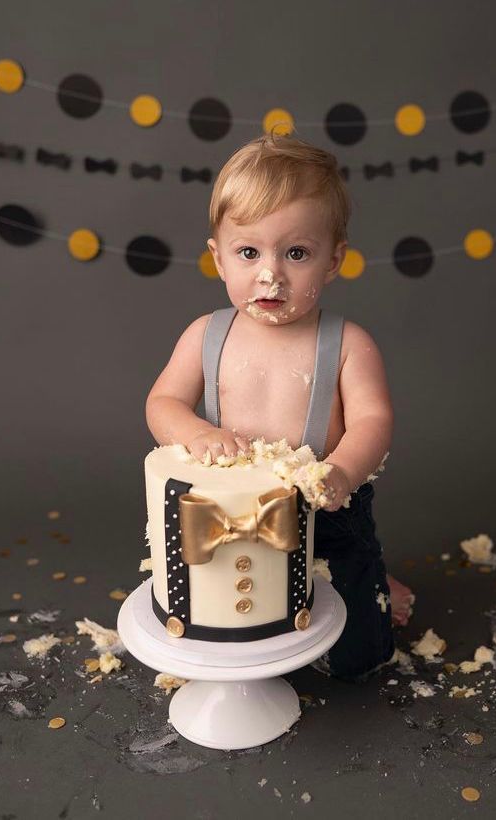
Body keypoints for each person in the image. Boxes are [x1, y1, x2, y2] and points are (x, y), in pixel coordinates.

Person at [145, 130, 411, 680]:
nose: (271, 274)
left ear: (333, 260)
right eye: (249, 252)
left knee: (357, 650)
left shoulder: (348, 344)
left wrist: (342, 471)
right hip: (227, 512)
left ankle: (373, 581)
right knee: (218, 623)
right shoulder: (205, 335)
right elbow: (163, 402)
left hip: (325, 508)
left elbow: (373, 419)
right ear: (218, 259)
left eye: (296, 253)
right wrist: (196, 433)